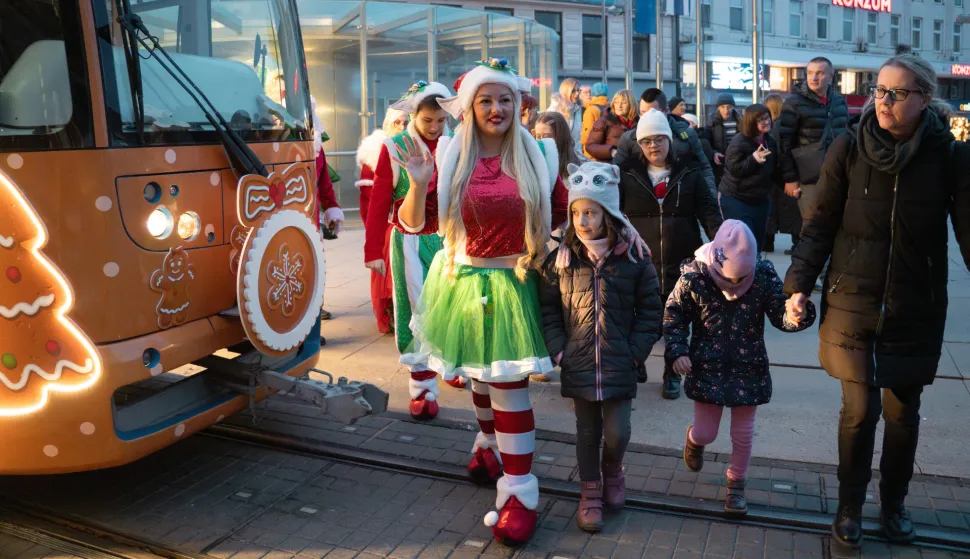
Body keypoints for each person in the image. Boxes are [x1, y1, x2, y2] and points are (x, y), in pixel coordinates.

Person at [784, 54, 970, 549]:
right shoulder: (848, 146)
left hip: (915, 305)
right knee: (858, 411)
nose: (882, 101)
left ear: (924, 99)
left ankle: (894, 505)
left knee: (903, 414)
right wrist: (798, 284)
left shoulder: (947, 156)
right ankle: (849, 509)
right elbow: (819, 223)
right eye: (879, 91)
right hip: (853, 300)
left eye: (896, 93)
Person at [392, 59, 573, 544]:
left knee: (508, 386)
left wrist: (617, 235)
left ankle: (518, 491)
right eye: (485, 100)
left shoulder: (536, 155)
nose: (496, 109)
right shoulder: (451, 156)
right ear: (471, 106)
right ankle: (487, 443)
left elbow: (564, 214)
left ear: (518, 104)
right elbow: (413, 224)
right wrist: (418, 182)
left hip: (517, 283)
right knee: (477, 374)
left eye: (504, 99)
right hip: (463, 283)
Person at [539, 161, 663, 533]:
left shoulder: (634, 258)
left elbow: (650, 310)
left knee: (618, 432)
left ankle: (613, 469)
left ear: (608, 213)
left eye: (590, 212)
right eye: (575, 212)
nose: (581, 220)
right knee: (586, 433)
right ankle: (590, 491)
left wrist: (635, 352)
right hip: (577, 361)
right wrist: (558, 349)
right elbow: (547, 306)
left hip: (619, 362)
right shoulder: (561, 259)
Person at [666, 220, 816, 517]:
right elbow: (674, 315)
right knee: (707, 432)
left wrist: (797, 315)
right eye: (728, 279)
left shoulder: (761, 276)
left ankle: (736, 486)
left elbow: (778, 313)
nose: (734, 287)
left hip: (749, 366)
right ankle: (695, 439)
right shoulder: (694, 277)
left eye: (741, 280)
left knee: (743, 433)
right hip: (707, 365)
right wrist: (677, 352)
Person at [364, 80, 466, 421]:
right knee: (417, 310)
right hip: (410, 239)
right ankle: (423, 389)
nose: (435, 127)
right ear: (413, 116)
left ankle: (452, 363)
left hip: (452, 238)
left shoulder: (457, 144)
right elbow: (379, 201)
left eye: (440, 120)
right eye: (428, 121)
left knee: (456, 305)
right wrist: (372, 251)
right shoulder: (395, 147)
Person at [619, 109, 722, 400]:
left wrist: (723, 244)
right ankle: (636, 362)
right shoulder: (627, 173)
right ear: (640, 144)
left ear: (670, 141)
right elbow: (613, 214)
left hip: (682, 260)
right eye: (648, 141)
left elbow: (708, 212)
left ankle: (671, 374)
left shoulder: (689, 172)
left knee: (677, 320)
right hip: (639, 261)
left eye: (660, 139)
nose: (654, 146)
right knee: (639, 319)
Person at [531, 111, 588, 382]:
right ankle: (544, 357)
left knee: (568, 309)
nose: (541, 141)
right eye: (537, 136)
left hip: (568, 248)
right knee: (542, 306)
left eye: (547, 136)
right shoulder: (529, 164)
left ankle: (572, 360)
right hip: (538, 248)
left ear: (560, 138)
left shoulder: (576, 168)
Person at [778, 57, 848, 273]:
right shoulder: (794, 102)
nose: (814, 77)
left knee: (836, 226)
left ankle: (827, 274)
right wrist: (789, 179)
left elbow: (845, 135)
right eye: (810, 73)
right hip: (807, 177)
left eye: (819, 73)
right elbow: (783, 143)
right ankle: (810, 276)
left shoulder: (838, 101)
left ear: (830, 76)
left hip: (837, 174)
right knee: (813, 229)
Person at [356, 107, 408, 334]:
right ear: (389, 125)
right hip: (390, 223)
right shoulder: (375, 153)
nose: (402, 127)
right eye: (398, 123)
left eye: (406, 122)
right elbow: (372, 203)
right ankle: (391, 310)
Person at [612, 88, 716, 195]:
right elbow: (615, 173)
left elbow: (704, 169)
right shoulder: (629, 138)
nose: (648, 118)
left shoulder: (687, 136)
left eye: (653, 113)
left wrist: (711, 198)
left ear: (666, 111)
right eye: (643, 113)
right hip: (640, 204)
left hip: (682, 203)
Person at [718, 104, 779, 253]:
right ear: (751, 123)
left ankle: (753, 275)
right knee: (743, 243)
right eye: (761, 120)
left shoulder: (770, 141)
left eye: (767, 118)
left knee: (757, 244)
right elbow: (734, 168)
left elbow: (775, 169)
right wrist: (753, 159)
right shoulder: (740, 141)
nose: (766, 122)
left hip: (760, 199)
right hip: (736, 197)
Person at [312, 96, 345, 322]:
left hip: (310, 216)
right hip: (281, 216)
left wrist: (331, 208)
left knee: (315, 261)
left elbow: (323, 181)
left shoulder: (316, 147)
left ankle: (315, 306)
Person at [762, 93, 801, 254]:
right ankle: (796, 243)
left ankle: (768, 243)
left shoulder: (769, 128)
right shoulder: (786, 126)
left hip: (772, 175)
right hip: (787, 174)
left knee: (770, 211)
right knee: (792, 211)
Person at [584, 89, 638, 163]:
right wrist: (611, 151)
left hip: (632, 167)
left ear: (632, 104)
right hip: (609, 167)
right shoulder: (604, 121)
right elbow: (590, 146)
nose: (619, 106)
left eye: (624, 103)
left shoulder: (639, 122)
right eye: (616, 102)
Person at [708, 93, 743, 186]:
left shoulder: (741, 122)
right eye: (723, 107)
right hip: (720, 163)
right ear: (718, 108)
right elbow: (707, 142)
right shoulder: (711, 122)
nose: (726, 110)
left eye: (729, 107)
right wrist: (714, 152)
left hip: (737, 162)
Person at [547, 78, 583, 155]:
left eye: (578, 90)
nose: (577, 94)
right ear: (565, 91)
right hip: (557, 154)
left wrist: (579, 155)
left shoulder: (577, 109)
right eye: (573, 91)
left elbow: (577, 139)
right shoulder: (555, 108)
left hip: (573, 154)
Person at [580, 82, 610, 158]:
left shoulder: (591, 110)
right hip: (606, 149)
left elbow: (587, 132)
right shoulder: (610, 108)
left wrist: (582, 144)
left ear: (592, 94)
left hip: (592, 152)